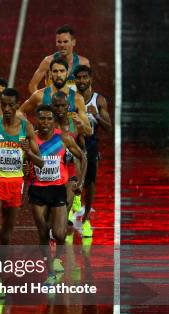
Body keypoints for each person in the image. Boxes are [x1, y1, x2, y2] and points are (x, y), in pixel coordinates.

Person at [0, 88, 44, 267]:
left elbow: (40, 161)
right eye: (3, 104)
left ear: (17, 105)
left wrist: (27, 151)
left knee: (5, 236)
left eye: (10, 105)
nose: (6, 108)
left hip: (15, 185)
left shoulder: (26, 127)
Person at [28, 104, 86, 285]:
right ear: (36, 120)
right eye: (42, 119)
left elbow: (82, 157)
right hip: (37, 189)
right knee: (43, 232)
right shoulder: (31, 139)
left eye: (49, 119)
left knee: (60, 234)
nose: (45, 123)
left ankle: (57, 258)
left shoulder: (64, 138)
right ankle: (50, 273)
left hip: (58, 189)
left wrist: (80, 182)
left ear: (55, 121)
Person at [73, 65, 111, 237]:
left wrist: (96, 116)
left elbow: (109, 127)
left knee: (90, 183)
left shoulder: (99, 100)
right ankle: (67, 212)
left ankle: (86, 218)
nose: (82, 81)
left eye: (84, 77)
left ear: (90, 79)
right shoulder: (70, 99)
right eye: (78, 78)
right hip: (71, 144)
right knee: (69, 180)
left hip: (90, 145)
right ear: (75, 80)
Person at [19, 57, 93, 136]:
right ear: (50, 74)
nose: (58, 75)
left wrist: (80, 123)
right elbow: (20, 112)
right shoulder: (39, 95)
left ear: (67, 73)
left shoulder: (77, 98)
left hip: (69, 145)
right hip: (46, 145)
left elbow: (89, 132)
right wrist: (26, 130)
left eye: (62, 71)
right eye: (55, 71)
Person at [50, 91, 88, 226]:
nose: (59, 109)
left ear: (68, 106)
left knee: (65, 203)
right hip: (53, 169)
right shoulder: (47, 125)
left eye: (62, 106)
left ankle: (60, 227)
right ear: (51, 106)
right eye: (56, 106)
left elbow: (83, 149)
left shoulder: (77, 124)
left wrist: (81, 180)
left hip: (71, 170)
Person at [28, 25, 90, 94]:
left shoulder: (83, 63)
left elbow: (88, 87)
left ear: (73, 42)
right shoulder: (48, 61)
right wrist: (43, 101)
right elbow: (32, 85)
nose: (62, 45)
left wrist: (81, 103)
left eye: (65, 42)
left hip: (73, 103)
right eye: (59, 42)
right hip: (52, 104)